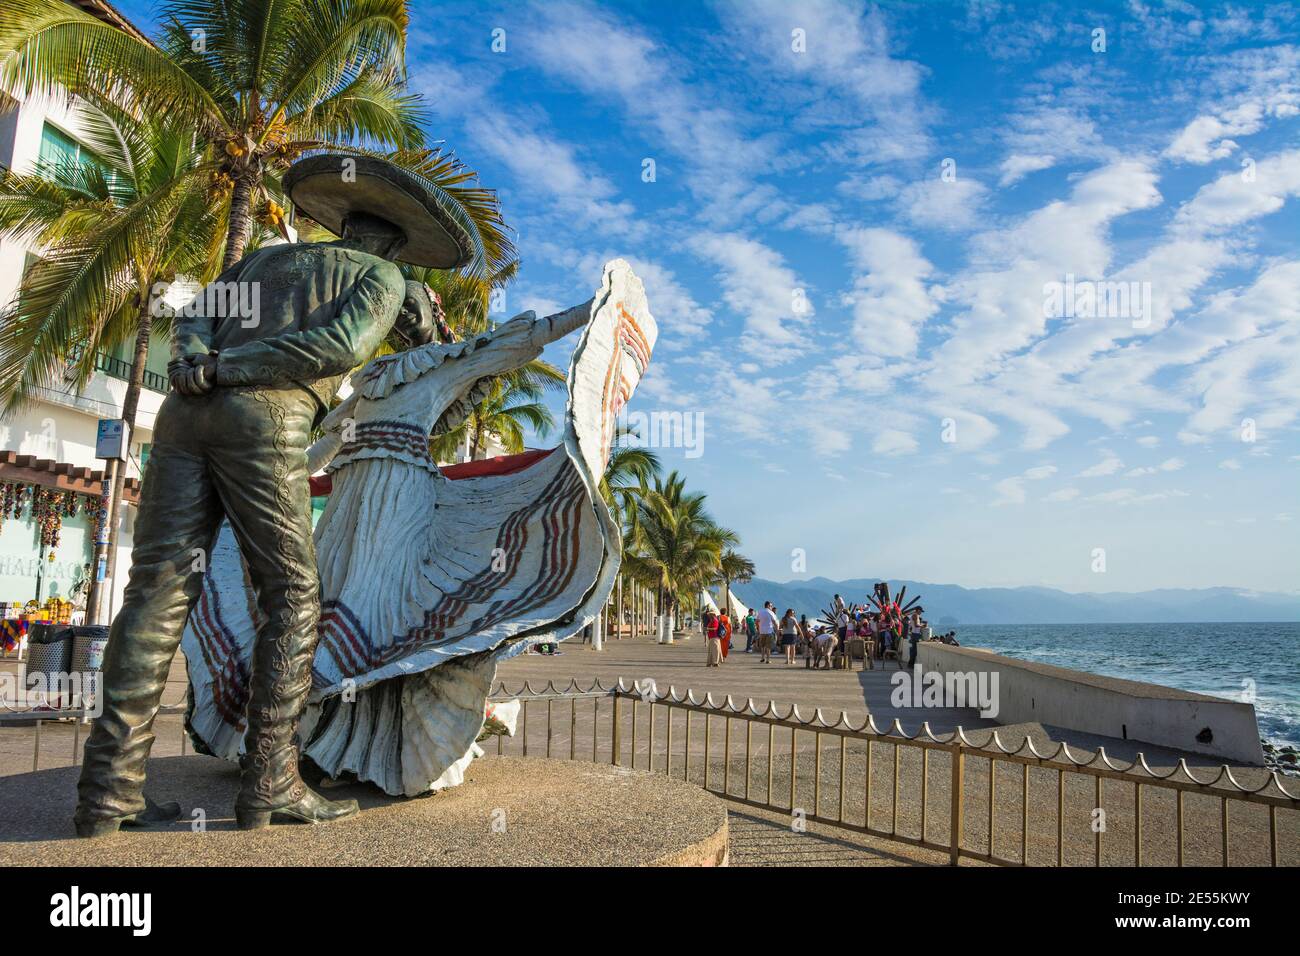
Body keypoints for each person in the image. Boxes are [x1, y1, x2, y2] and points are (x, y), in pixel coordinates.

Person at [73, 154, 480, 838]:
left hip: (184, 414)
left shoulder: (258, 264)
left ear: (342, 224)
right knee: (292, 596)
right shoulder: (380, 277)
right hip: (266, 418)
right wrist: (239, 370)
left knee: (155, 590)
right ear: (393, 243)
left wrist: (201, 366)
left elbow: (194, 320)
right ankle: (271, 783)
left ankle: (108, 791)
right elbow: (339, 346)